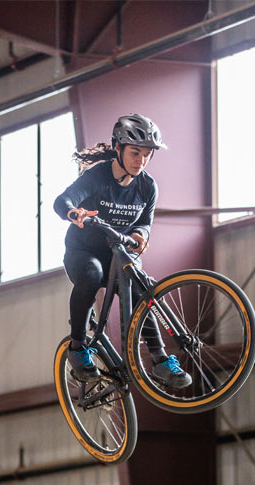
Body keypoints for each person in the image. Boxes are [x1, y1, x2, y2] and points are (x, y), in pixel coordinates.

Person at [53, 113, 191, 388]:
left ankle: (161, 360)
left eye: (147, 155)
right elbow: (62, 200)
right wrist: (74, 212)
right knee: (92, 274)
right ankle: (77, 347)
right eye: (134, 153)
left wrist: (141, 234)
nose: (140, 161)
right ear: (118, 148)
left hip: (118, 254)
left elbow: (144, 223)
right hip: (83, 252)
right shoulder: (97, 177)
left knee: (142, 292)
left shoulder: (147, 187)